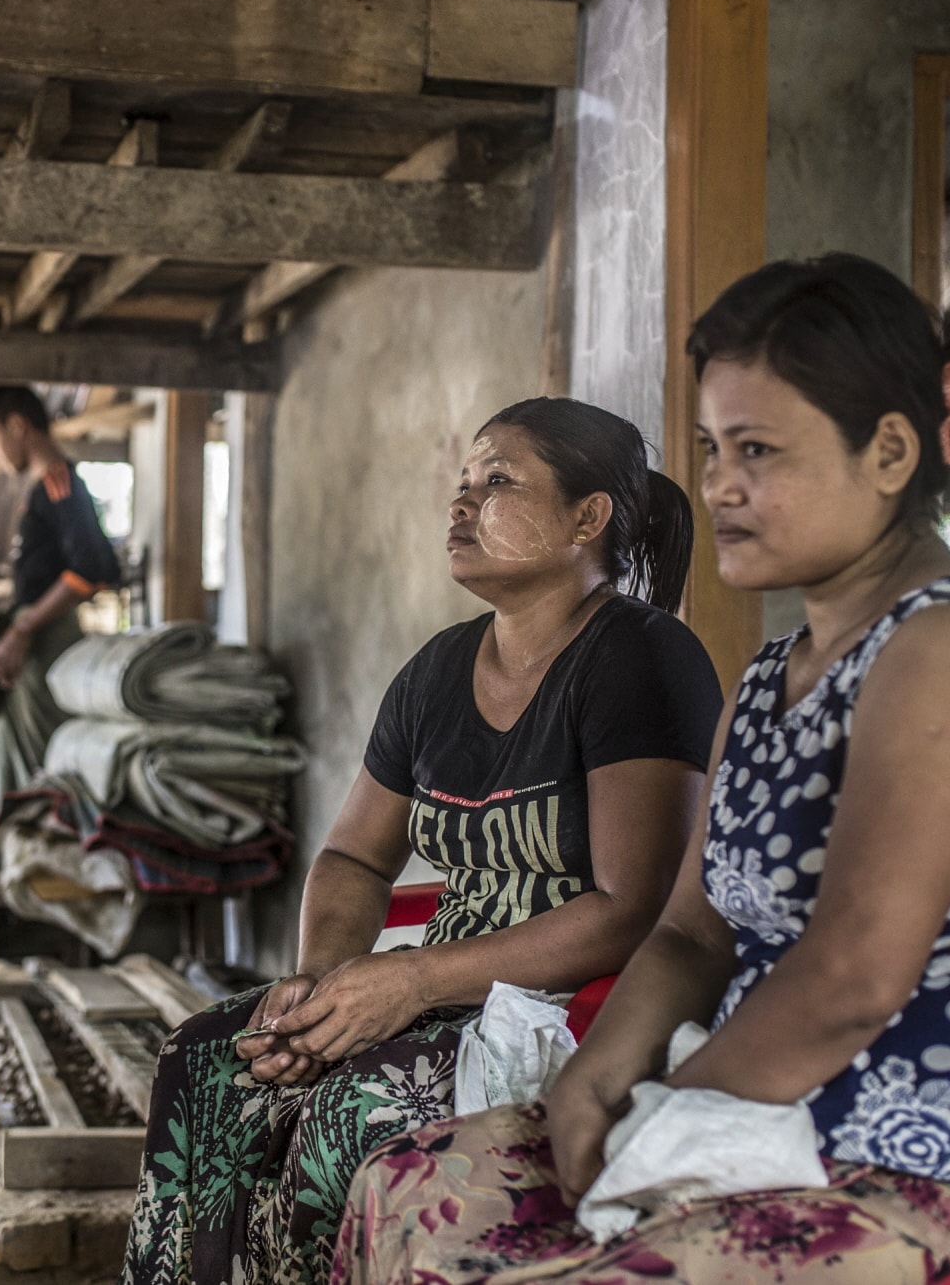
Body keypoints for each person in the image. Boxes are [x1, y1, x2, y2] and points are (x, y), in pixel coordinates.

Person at [333, 254, 950, 1285]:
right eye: (713, 448)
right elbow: (687, 933)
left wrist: (662, 1113)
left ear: (890, 452)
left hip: (942, 1163)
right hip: (769, 1117)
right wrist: (594, 1083)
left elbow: (850, 978)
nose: (717, 484)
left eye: (756, 449)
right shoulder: (769, 678)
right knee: (401, 1185)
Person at [121, 399, 724, 1285]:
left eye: (498, 481)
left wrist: (408, 981)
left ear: (586, 518)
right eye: (463, 482)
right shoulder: (437, 672)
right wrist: (320, 988)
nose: (461, 502)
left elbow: (634, 909)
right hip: (441, 992)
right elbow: (356, 857)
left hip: (569, 1011)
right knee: (205, 1060)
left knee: (347, 1110)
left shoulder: (638, 657)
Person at [0, 383, 124, 827]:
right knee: (10, 757)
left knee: (38, 764)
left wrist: (24, 629)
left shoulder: (60, 482)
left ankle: (36, 844)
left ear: (18, 426)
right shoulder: (41, 490)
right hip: (31, 645)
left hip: (45, 642)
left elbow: (94, 568)